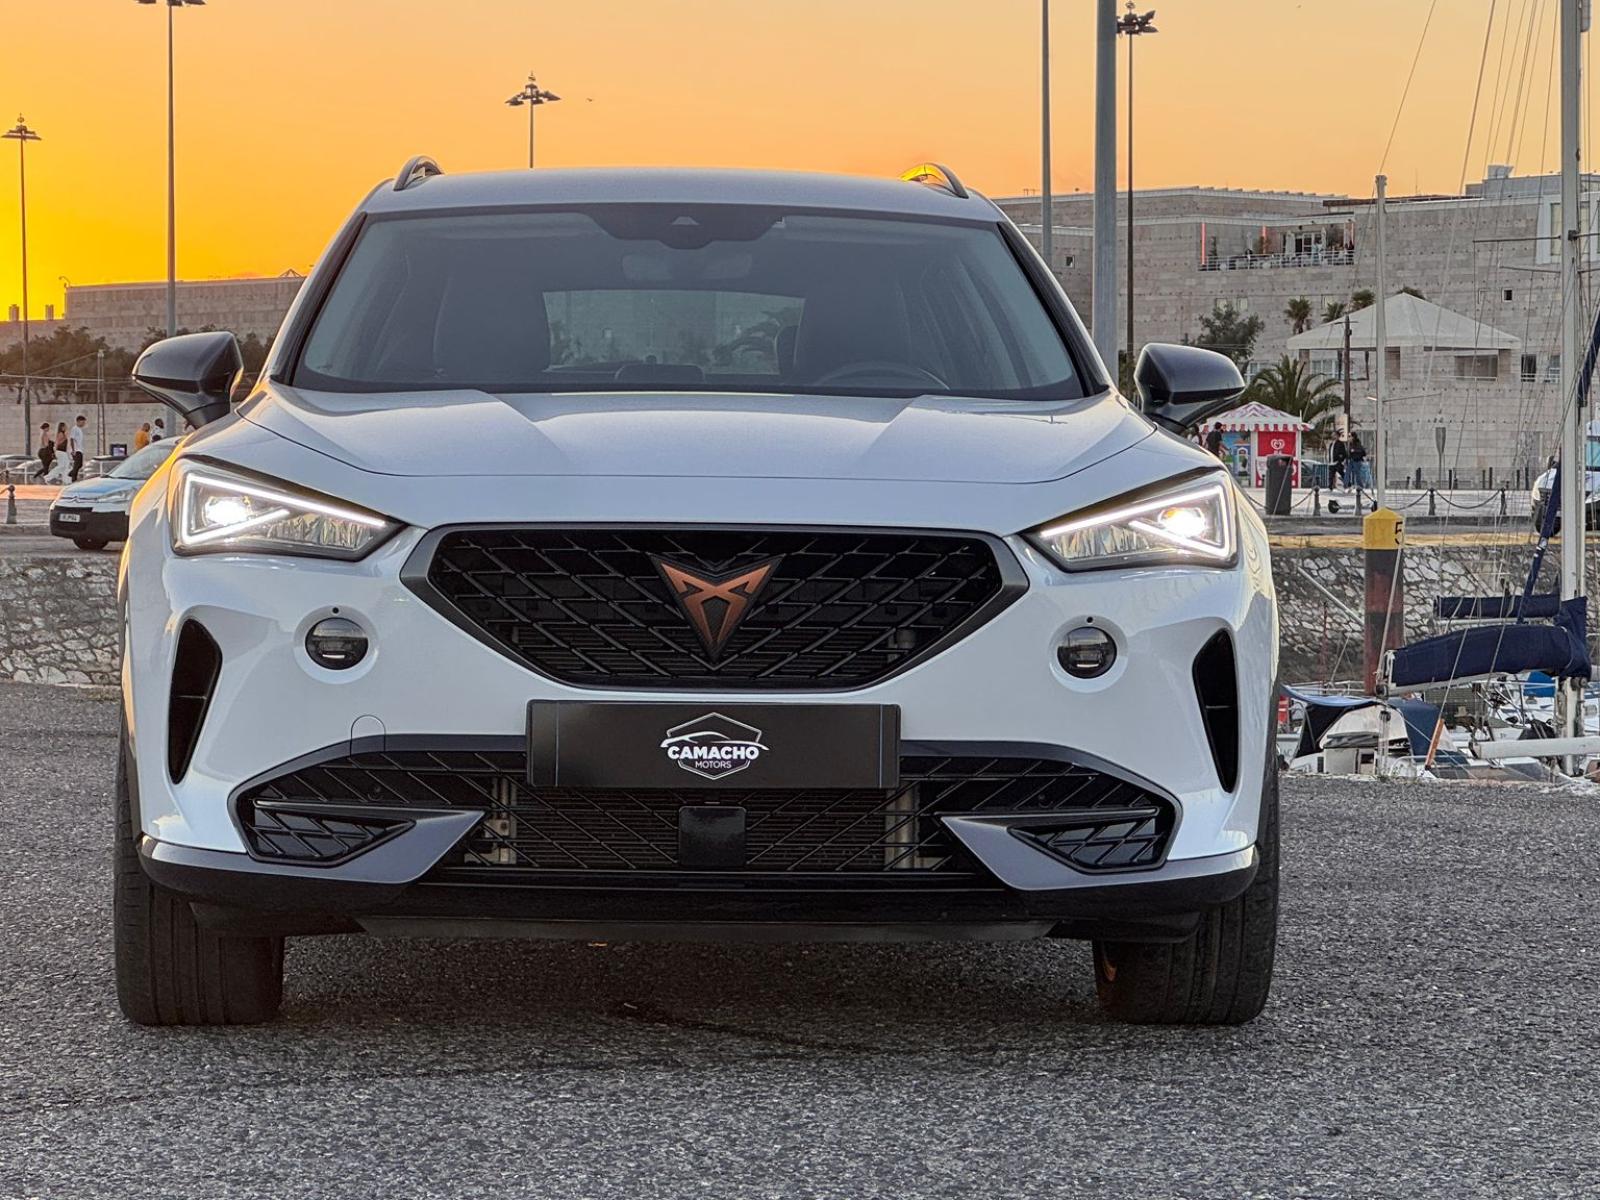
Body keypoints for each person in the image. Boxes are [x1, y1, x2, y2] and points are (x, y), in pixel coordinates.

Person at [68, 414, 87, 482]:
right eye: (82, 422)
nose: (83, 424)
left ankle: (71, 474)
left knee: (80, 465)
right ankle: (73, 478)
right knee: (77, 465)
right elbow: (72, 439)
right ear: (78, 421)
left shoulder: (79, 430)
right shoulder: (74, 429)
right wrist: (73, 450)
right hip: (76, 450)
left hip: (80, 449)